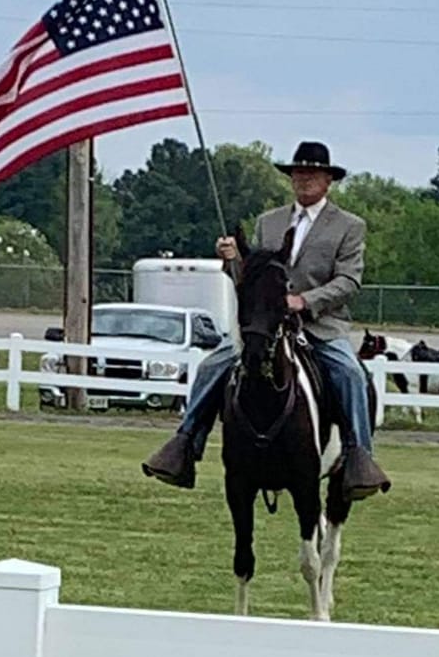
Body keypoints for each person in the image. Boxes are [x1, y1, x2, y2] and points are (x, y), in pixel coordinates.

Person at [141, 141, 390, 502]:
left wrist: (304, 301)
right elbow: (250, 278)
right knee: (213, 366)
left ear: (328, 180)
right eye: (298, 173)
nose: (304, 179)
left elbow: (348, 281)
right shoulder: (267, 222)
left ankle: (358, 458)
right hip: (265, 327)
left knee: (350, 374)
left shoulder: (349, 227)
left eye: (312, 173)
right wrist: (232, 260)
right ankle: (185, 444)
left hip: (320, 326)